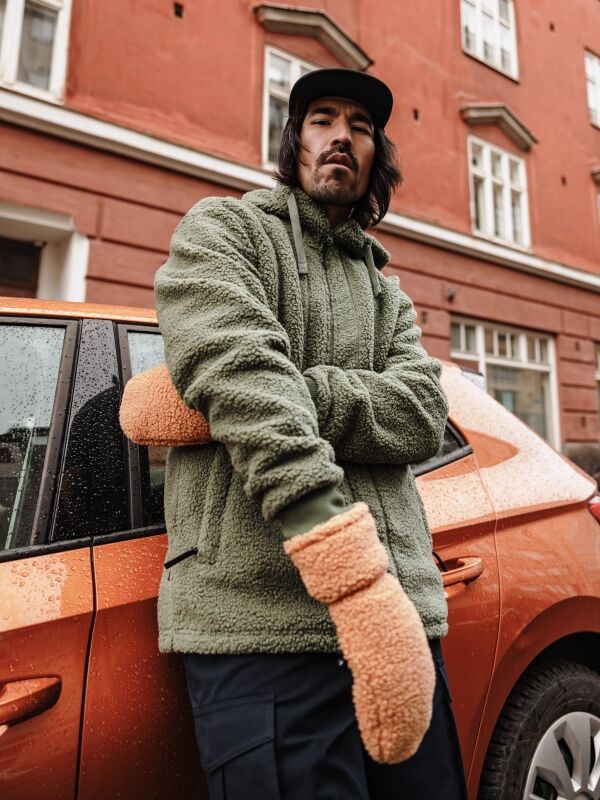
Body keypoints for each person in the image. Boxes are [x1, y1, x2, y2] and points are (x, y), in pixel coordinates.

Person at [134, 68, 467, 799]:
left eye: (361, 124)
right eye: (321, 118)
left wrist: (299, 385)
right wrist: (352, 578)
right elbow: (239, 370)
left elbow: (420, 414)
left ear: (377, 154)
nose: (341, 135)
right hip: (263, 630)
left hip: (404, 623)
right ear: (294, 143)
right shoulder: (224, 233)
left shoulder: (388, 292)